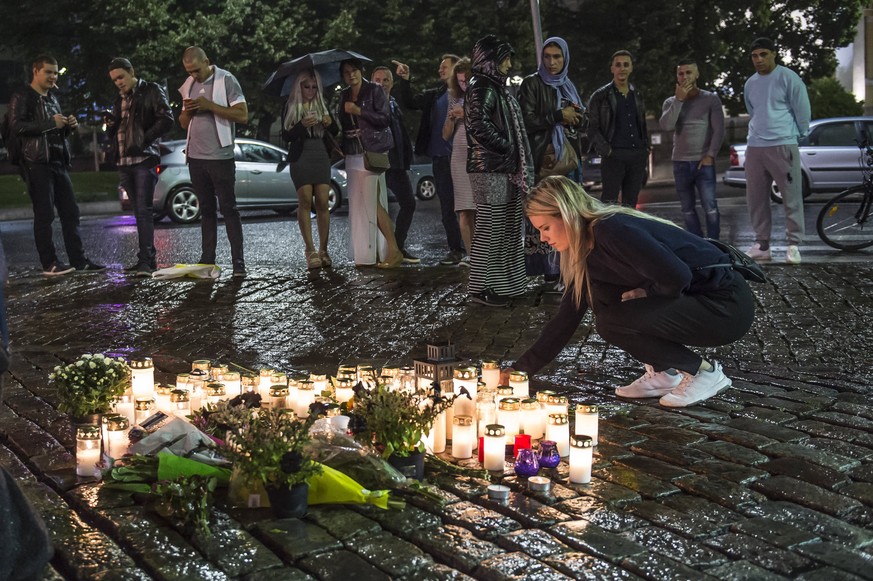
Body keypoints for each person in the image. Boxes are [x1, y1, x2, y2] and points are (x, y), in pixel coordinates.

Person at [504, 176, 755, 407]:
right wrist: (521, 370)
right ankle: (664, 372)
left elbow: (678, 276)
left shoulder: (610, 230)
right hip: (696, 299)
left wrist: (647, 292)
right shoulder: (583, 252)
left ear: (566, 214)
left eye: (545, 227)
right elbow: (567, 316)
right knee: (602, 302)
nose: (543, 237)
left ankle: (704, 372)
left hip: (725, 305)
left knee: (612, 322)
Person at [8, 55, 104, 276]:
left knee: (71, 212)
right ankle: (49, 263)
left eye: (55, 72)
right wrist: (51, 123)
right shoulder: (22, 96)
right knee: (44, 215)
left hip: (58, 161)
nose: (53, 77)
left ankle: (78, 261)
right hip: (37, 162)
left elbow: (55, 131)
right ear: (35, 71)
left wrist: (68, 126)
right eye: (48, 72)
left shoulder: (52, 98)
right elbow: (17, 127)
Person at [464, 35, 531, 307]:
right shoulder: (483, 86)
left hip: (497, 166)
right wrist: (507, 147)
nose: (509, 64)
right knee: (490, 228)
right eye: (505, 58)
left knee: (502, 228)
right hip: (489, 167)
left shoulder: (490, 85)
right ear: (491, 60)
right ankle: (480, 288)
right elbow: (478, 124)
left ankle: (502, 285)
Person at [519, 37, 585, 289]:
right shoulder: (532, 84)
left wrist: (578, 117)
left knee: (569, 215)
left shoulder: (568, 85)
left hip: (569, 161)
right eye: (547, 56)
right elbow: (526, 120)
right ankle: (551, 271)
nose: (552, 61)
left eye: (557, 56)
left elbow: (582, 122)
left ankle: (568, 269)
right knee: (548, 217)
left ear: (565, 58)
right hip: (544, 161)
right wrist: (559, 115)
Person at [178, 46, 249, 277]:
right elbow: (182, 123)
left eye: (196, 70)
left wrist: (210, 107)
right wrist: (188, 112)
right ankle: (207, 258)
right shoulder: (188, 85)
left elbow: (242, 114)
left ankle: (238, 262)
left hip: (220, 157)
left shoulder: (226, 79)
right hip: (196, 158)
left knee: (229, 209)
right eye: (189, 71)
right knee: (206, 209)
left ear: (207, 61)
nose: (193, 75)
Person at [393, 54, 466, 265]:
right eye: (439, 66)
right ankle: (456, 249)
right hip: (441, 159)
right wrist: (405, 80)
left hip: (462, 158)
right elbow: (410, 102)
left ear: (456, 68)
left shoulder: (467, 94)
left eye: (444, 66)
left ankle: (474, 249)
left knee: (468, 206)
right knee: (447, 207)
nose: (440, 70)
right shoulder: (436, 95)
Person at [743, 37, 810, 264]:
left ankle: (793, 245)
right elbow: (753, 111)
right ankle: (762, 245)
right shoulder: (750, 83)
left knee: (791, 197)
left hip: (783, 144)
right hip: (755, 147)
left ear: (774, 54)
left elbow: (802, 109)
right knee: (756, 199)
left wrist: (797, 135)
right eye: (754, 55)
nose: (759, 59)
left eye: (763, 54)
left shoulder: (788, 77)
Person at [106, 57, 174, 277]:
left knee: (144, 211)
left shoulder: (151, 90)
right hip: (124, 162)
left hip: (144, 159)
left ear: (131, 72)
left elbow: (167, 119)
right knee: (138, 212)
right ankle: (147, 258)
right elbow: (117, 130)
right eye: (114, 79)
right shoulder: (119, 100)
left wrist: (144, 139)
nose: (118, 82)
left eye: (121, 77)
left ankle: (146, 261)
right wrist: (110, 125)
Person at [337, 58, 403, 268]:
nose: (351, 75)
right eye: (347, 72)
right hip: (351, 152)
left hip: (371, 150)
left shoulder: (374, 90)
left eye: (354, 70)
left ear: (361, 71)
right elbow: (343, 123)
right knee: (358, 204)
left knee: (372, 202)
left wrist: (359, 111)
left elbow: (384, 119)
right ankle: (365, 253)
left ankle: (393, 250)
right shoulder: (344, 94)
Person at [659, 57, 725, 240]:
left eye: (689, 72)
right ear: (677, 76)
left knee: (710, 207)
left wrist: (710, 155)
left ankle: (713, 243)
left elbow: (718, 129)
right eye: (681, 73)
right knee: (687, 209)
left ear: (697, 74)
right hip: (680, 162)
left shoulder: (710, 99)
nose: (685, 76)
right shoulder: (670, 102)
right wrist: (679, 101)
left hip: (703, 162)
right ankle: (697, 242)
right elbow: (666, 125)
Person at [281, 69, 336, 270]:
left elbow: (335, 131)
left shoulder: (322, 104)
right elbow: (286, 136)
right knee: (305, 199)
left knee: (323, 200)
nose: (311, 90)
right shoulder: (290, 105)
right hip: (301, 155)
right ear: (299, 87)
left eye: (314, 87)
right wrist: (302, 125)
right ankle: (310, 249)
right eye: (306, 86)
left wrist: (329, 123)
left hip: (320, 152)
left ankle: (324, 249)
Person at [587, 50, 649, 208]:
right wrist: (606, 151)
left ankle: (628, 232)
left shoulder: (638, 94)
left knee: (631, 203)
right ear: (612, 68)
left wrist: (645, 148)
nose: (622, 68)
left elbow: (641, 122)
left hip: (637, 155)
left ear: (631, 68)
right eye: (618, 65)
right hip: (614, 155)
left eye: (626, 65)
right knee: (609, 202)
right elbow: (591, 127)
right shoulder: (601, 96)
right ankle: (608, 232)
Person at [371, 66, 419, 263]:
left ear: (391, 83)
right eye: (377, 80)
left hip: (396, 162)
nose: (382, 84)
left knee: (408, 203)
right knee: (379, 206)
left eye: (386, 80)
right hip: (381, 161)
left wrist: (406, 158)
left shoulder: (393, 102)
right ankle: (385, 248)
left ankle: (397, 245)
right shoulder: (371, 104)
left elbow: (402, 134)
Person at [442, 57, 475, 265]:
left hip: (478, 154)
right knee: (464, 208)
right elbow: (445, 135)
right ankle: (471, 255)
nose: (463, 85)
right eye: (460, 81)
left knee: (481, 208)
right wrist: (451, 118)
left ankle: (483, 255)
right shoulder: (453, 98)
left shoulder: (481, 97)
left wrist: (466, 113)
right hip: (459, 155)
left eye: (466, 81)